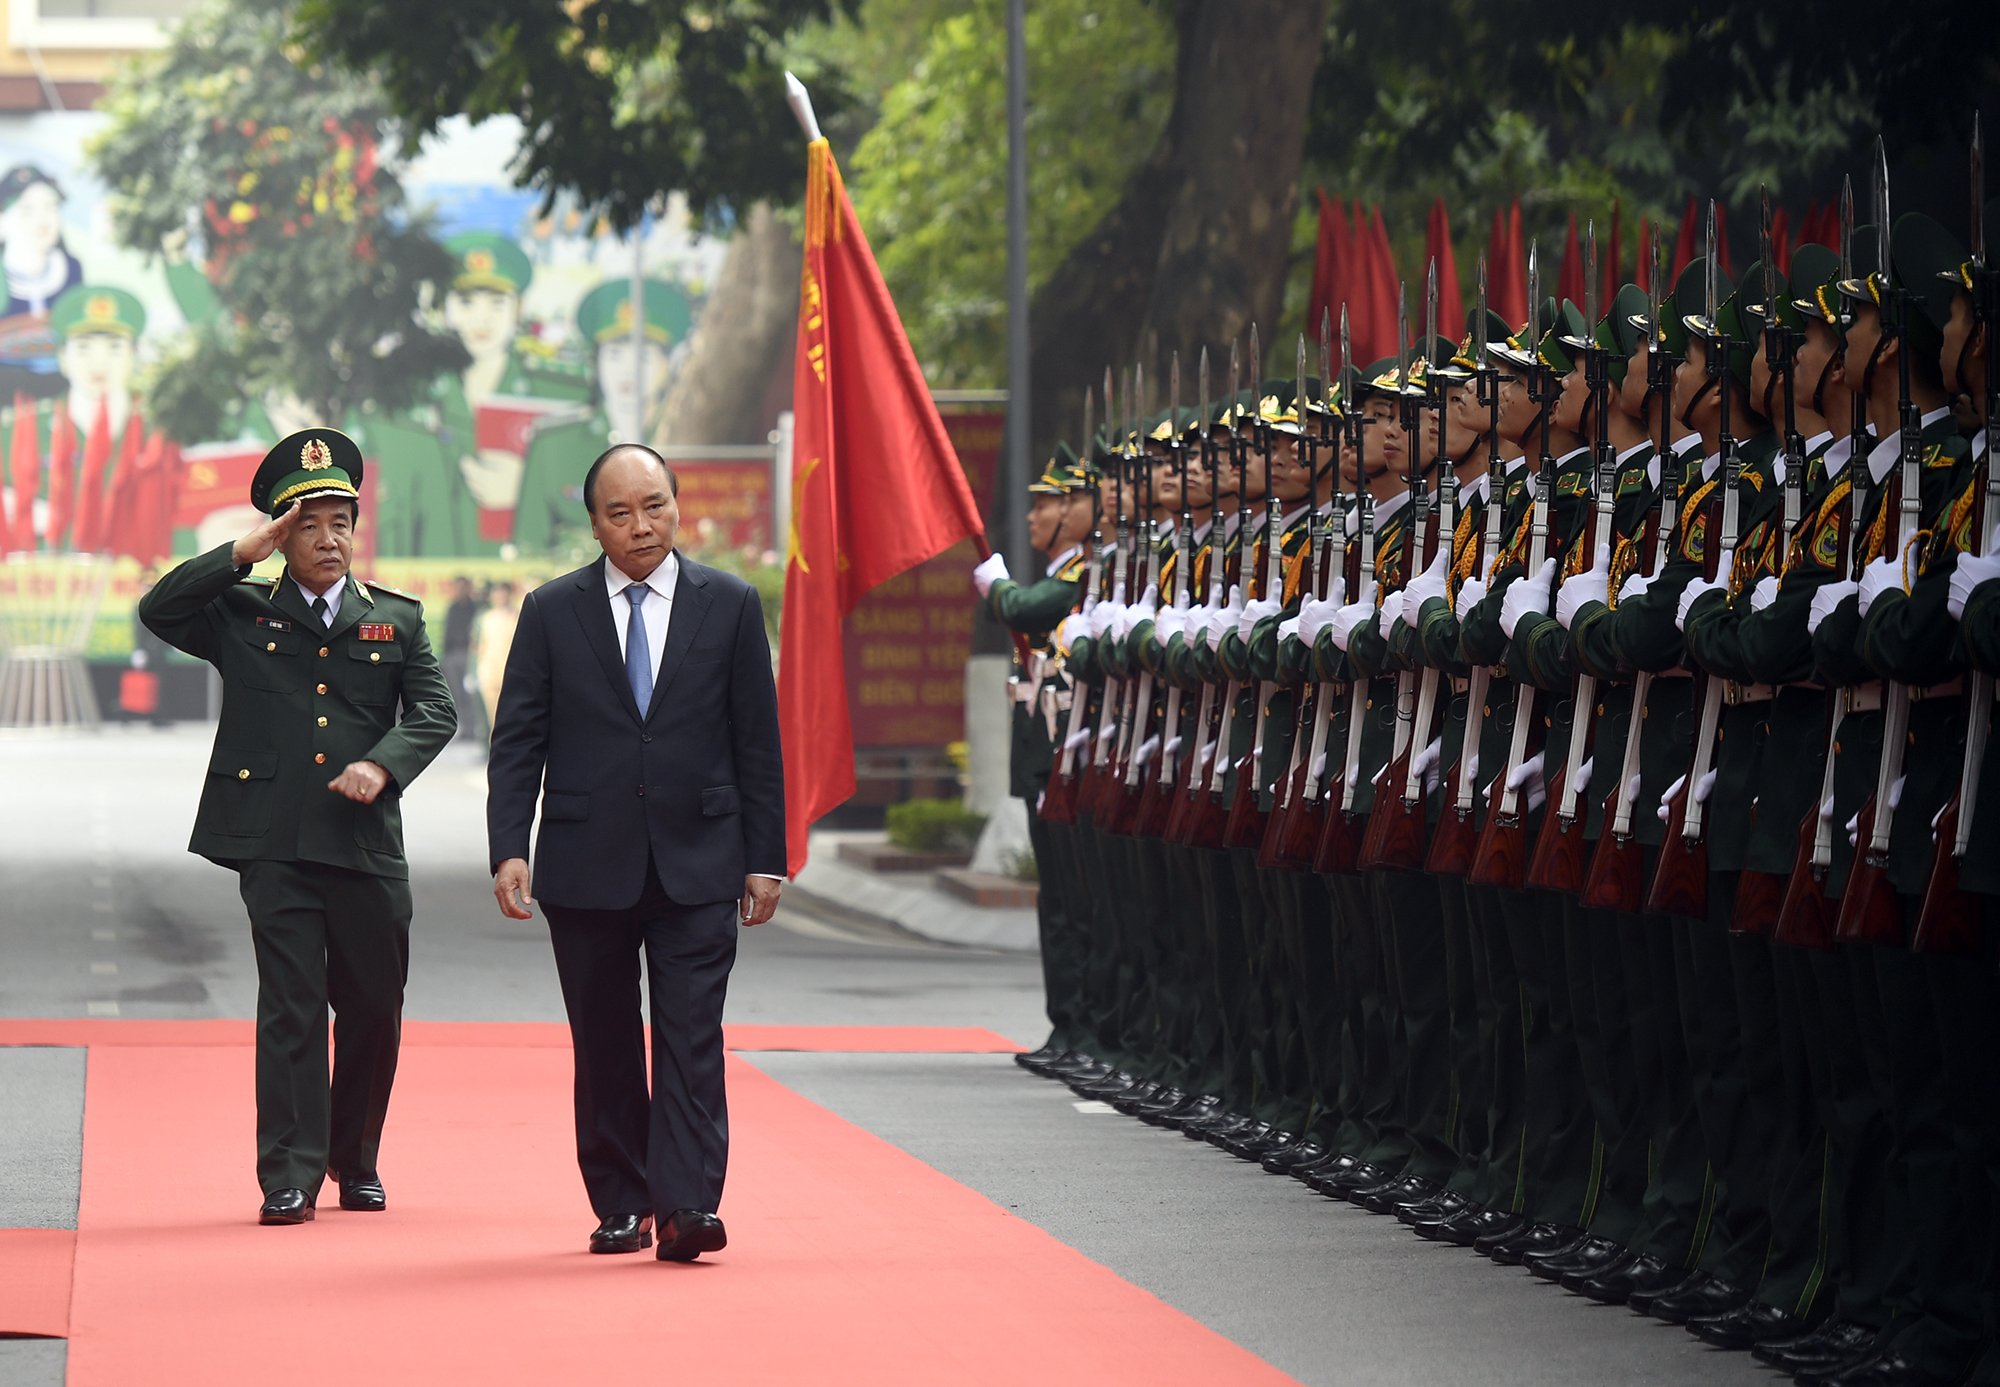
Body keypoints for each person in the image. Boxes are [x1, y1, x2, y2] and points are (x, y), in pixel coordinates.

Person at [137, 428, 456, 1225]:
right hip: (273, 840)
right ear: (282, 534)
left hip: (364, 842)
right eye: (307, 524)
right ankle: (289, 1172)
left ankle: (356, 1159)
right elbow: (159, 607)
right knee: (292, 1005)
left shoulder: (397, 618)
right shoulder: (240, 611)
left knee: (375, 1005)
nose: (328, 537)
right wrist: (239, 554)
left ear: (356, 526)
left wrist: (383, 764)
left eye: (340, 520)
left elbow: (434, 710)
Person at [485, 442, 784, 1262]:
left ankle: (688, 1203)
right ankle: (620, 1199)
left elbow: (757, 742)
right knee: (607, 1037)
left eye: (654, 506)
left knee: (691, 1035)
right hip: (586, 864)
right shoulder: (552, 610)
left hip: (702, 858)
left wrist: (767, 854)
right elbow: (518, 740)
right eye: (620, 512)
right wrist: (508, 845)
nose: (640, 525)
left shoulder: (728, 604)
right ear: (595, 524)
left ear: (677, 507)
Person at [470, 579, 519, 739]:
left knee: (514, 718)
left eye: (503, 593)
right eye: (497, 594)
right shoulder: (485, 618)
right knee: (494, 719)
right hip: (489, 673)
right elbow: (477, 646)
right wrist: (473, 672)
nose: (500, 597)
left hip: (514, 674)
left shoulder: (518, 616)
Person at [440, 575, 480, 741]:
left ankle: (475, 728)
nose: (460, 590)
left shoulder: (475, 607)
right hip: (452, 655)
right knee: (456, 693)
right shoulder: (452, 607)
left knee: (470, 692)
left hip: (469, 655)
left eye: (463, 587)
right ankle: (465, 728)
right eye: (457, 587)